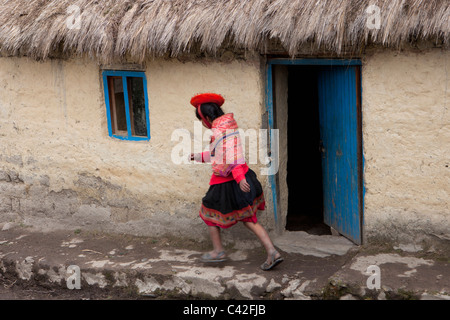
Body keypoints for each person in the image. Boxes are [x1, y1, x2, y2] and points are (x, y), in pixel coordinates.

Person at [189, 93, 283, 271]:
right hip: (239, 178)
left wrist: (239, 179)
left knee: (208, 212)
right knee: (248, 218)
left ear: (207, 118)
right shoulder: (227, 127)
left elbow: (233, 157)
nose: (202, 124)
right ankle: (272, 252)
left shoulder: (220, 132)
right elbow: (217, 154)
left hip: (226, 182)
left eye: (201, 120)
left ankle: (218, 251)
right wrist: (197, 156)